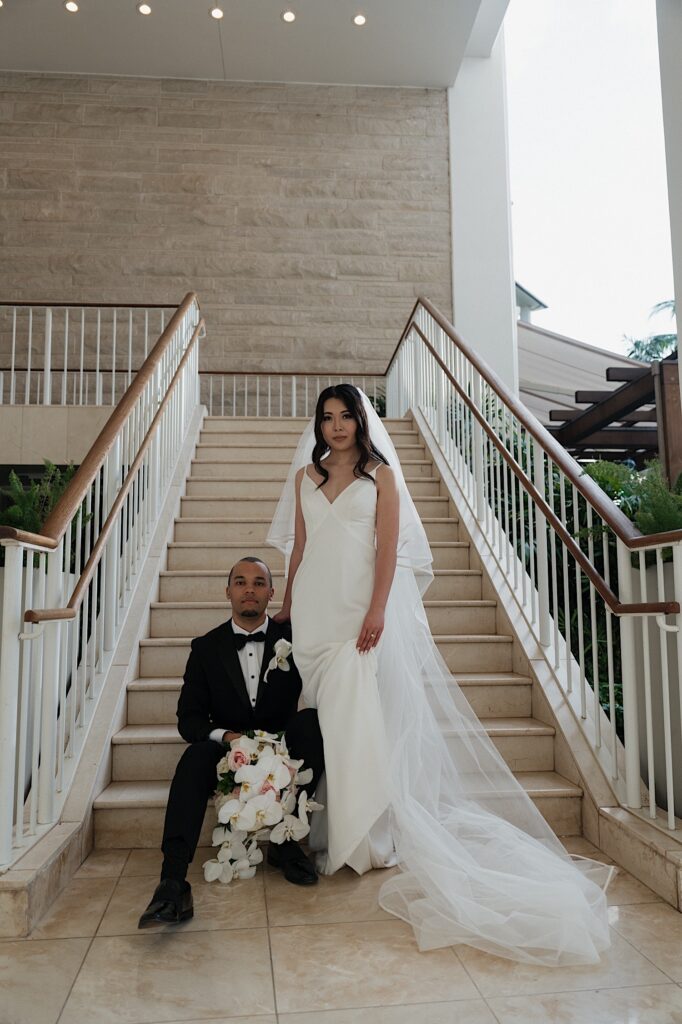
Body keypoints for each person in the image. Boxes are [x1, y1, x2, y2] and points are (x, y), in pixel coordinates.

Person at [268, 384, 614, 967]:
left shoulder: (382, 477)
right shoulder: (307, 477)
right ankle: (345, 829)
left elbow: (387, 552)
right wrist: (287, 600)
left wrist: (378, 608)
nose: (335, 427)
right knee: (332, 720)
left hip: (357, 608)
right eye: (326, 419)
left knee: (357, 718)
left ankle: (366, 841)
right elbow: (299, 548)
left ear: (360, 420)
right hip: (315, 612)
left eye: (345, 416)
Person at [138, 557, 324, 929]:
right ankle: (172, 882)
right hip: (227, 750)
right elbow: (188, 719)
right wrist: (225, 736)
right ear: (228, 592)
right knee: (194, 757)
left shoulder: (296, 642)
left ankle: (285, 845)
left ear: (272, 593)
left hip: (279, 749)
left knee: (315, 723)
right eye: (240, 582)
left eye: (259, 582)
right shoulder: (205, 648)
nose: (249, 589)